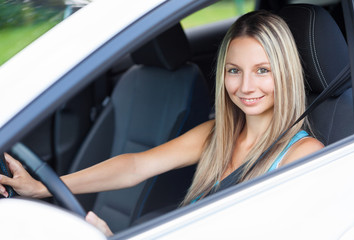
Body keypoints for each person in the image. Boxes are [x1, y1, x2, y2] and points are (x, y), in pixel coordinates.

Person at [0, 10, 323, 236]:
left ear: (286, 74)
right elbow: (135, 167)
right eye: (234, 70)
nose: (245, 87)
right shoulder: (217, 134)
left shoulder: (304, 154)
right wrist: (43, 187)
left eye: (263, 70)